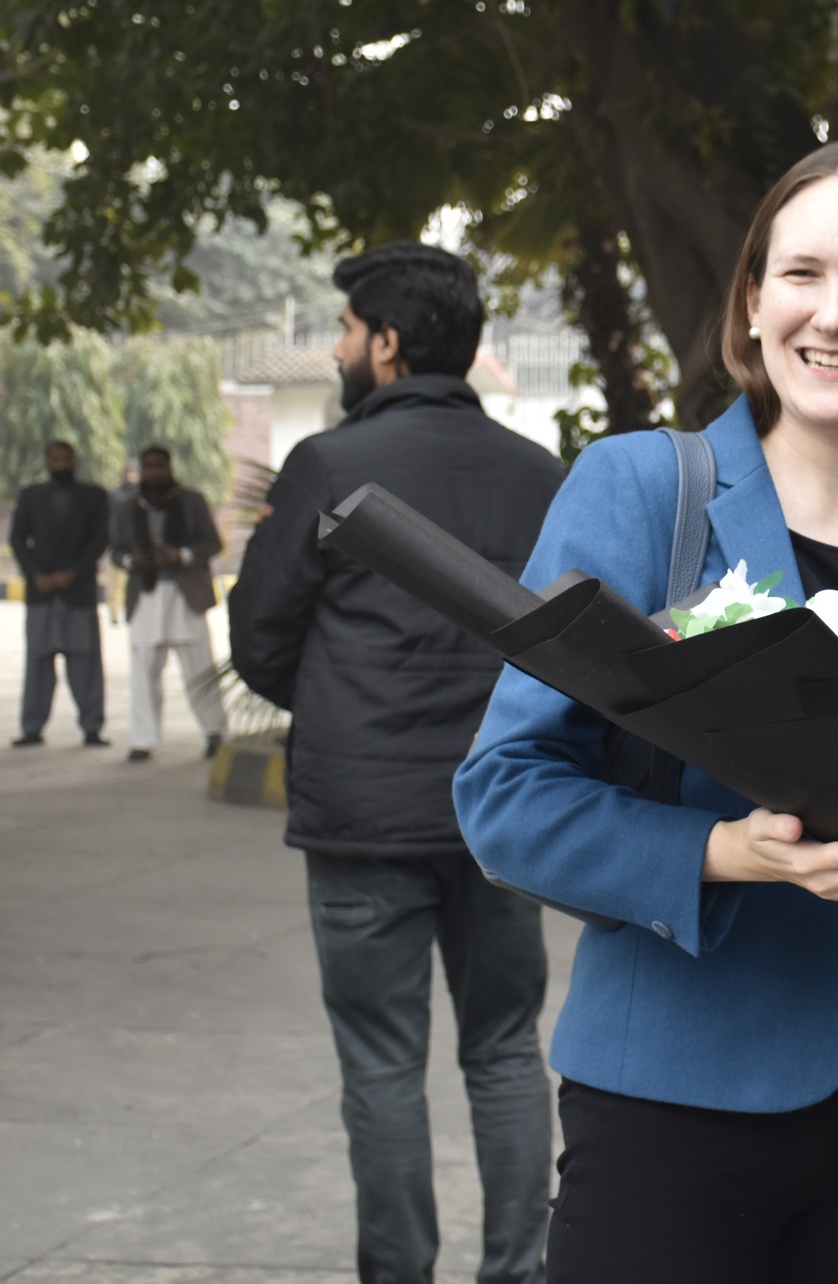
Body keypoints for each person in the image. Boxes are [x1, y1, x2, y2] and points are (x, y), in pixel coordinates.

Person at [453, 141, 838, 1284]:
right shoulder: (640, 492)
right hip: (669, 1099)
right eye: (802, 274)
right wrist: (728, 853)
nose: (834, 313)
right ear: (753, 303)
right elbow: (506, 797)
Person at [227, 242, 565, 1284]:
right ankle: (519, 1270)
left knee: (380, 1062)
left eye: (343, 331)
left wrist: (346, 709)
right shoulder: (538, 474)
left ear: (385, 344)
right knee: (506, 1049)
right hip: (501, 813)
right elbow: (569, 648)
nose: (337, 349)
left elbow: (260, 639)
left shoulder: (328, 466)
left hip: (363, 822)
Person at [110, 445, 226, 762]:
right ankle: (143, 740)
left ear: (169, 467)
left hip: (185, 594)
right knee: (143, 671)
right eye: (149, 466)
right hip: (146, 595)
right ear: (141, 470)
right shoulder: (128, 506)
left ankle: (215, 732)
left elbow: (212, 543)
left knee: (199, 669)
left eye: (159, 465)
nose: (154, 472)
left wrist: (182, 555)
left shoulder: (191, 501)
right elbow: (116, 550)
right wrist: (130, 560)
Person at [9, 441, 110, 748]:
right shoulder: (31, 496)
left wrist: (72, 572)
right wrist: (36, 575)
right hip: (41, 593)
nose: (61, 464)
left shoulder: (93, 495)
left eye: (66, 458)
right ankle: (32, 728)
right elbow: (18, 539)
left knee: (85, 661)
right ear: (47, 463)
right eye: (55, 459)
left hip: (77, 592)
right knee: (38, 663)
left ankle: (92, 727)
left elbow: (99, 539)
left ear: (74, 461)